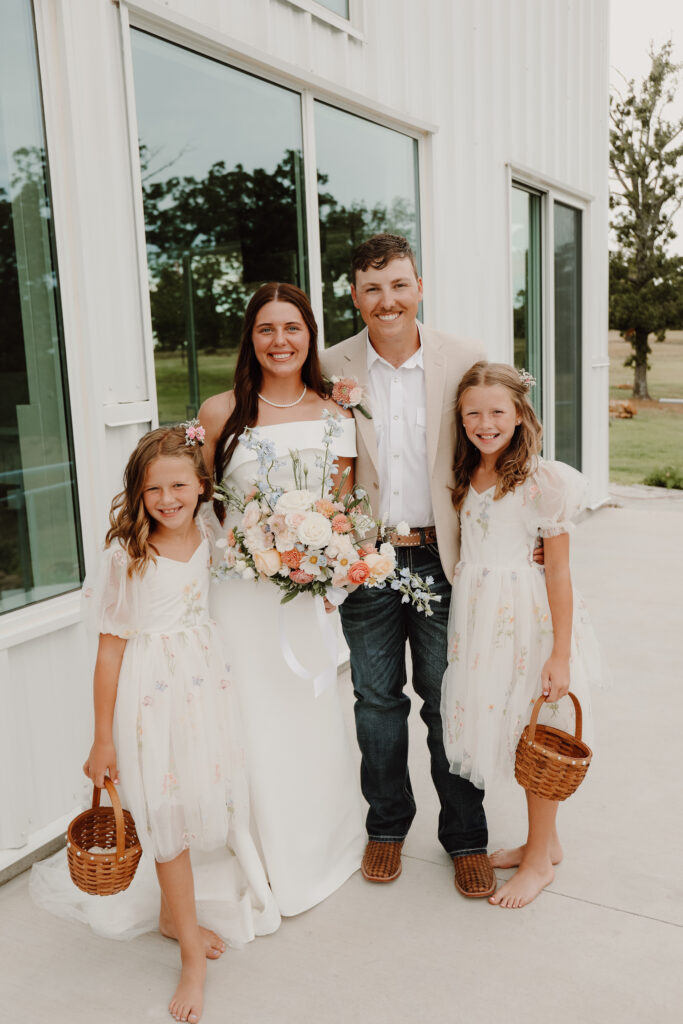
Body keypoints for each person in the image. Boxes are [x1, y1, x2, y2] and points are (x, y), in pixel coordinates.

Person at [32, 426, 280, 1024]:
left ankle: (174, 916)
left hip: (204, 684)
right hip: (150, 692)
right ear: (137, 495)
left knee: (198, 797)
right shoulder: (129, 556)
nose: (167, 499)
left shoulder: (211, 530)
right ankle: (190, 954)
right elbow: (110, 650)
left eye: (178, 485)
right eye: (153, 490)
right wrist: (101, 736)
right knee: (165, 810)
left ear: (201, 485)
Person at [321, 233, 497, 897]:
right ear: (354, 296)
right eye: (371, 288)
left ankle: (466, 836)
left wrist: (532, 526)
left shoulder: (464, 358)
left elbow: (498, 440)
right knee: (374, 701)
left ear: (417, 286)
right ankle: (387, 824)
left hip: (441, 555)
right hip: (366, 558)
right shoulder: (330, 363)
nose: (385, 300)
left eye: (397, 285)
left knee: (446, 700)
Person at [198, 282, 366, 917]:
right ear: (251, 337)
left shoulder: (336, 413)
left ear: (310, 336)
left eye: (291, 328)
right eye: (266, 329)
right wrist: (242, 551)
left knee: (309, 714)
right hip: (240, 599)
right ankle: (260, 854)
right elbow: (200, 502)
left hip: (305, 599)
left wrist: (325, 567)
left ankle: (317, 846)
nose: (279, 342)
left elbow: (344, 508)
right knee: (252, 721)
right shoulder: (221, 413)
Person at [441, 361, 600, 908]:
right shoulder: (469, 473)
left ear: (519, 414)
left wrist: (560, 652)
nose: (485, 423)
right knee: (506, 725)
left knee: (536, 730)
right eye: (472, 414)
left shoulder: (541, 480)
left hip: (524, 620)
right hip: (478, 620)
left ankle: (538, 865)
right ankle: (544, 841)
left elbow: (558, 569)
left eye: (497, 412)